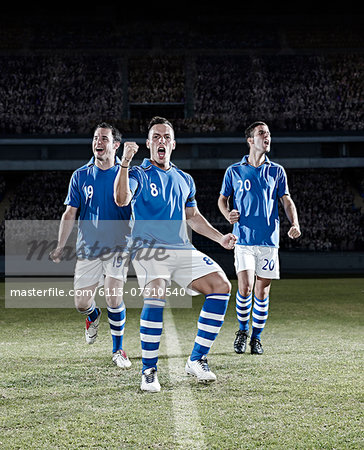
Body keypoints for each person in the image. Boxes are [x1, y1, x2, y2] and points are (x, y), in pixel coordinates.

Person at [114, 116, 237, 392]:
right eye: (156, 136)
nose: (161, 141)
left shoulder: (185, 179)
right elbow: (121, 199)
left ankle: (196, 360)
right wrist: (124, 162)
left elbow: (193, 217)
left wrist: (220, 238)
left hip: (181, 249)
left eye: (166, 137)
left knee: (221, 286)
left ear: (173, 143)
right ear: (147, 144)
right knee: (156, 292)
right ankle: (148, 371)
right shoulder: (138, 174)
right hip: (148, 250)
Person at [50, 122, 136, 369]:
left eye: (104, 139)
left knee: (113, 296)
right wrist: (59, 245)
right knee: (81, 303)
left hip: (119, 246)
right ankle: (93, 316)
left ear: (116, 145)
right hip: (88, 248)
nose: (98, 142)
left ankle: (118, 349)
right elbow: (70, 213)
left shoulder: (127, 174)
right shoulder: (80, 175)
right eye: (96, 138)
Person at [218, 121, 301, 355]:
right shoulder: (234, 170)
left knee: (262, 292)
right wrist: (228, 214)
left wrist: (294, 222)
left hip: (268, 241)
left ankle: (256, 338)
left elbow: (286, 200)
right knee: (245, 288)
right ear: (250, 140)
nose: (267, 137)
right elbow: (222, 200)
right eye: (261, 133)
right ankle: (242, 331)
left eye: (269, 134)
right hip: (243, 239)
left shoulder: (277, 171)